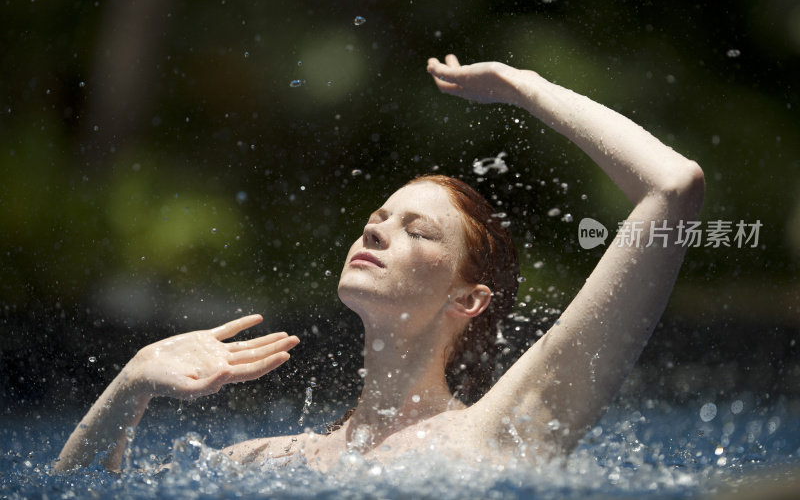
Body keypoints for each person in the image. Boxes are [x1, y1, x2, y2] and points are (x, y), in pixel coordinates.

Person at [55, 54, 704, 472]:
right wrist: (132, 382)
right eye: (375, 221)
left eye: (416, 230)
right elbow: (76, 494)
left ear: (467, 299)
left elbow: (672, 189)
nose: (378, 232)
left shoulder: (500, 433)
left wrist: (525, 88)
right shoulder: (281, 461)